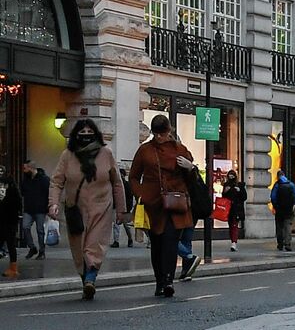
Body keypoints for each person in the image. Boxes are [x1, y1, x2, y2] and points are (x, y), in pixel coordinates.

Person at [50, 118, 126, 300]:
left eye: (88, 132)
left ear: (96, 134)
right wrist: (53, 203)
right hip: (76, 209)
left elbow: (117, 182)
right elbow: (57, 181)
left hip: (102, 208)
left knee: (94, 245)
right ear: (75, 135)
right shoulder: (67, 155)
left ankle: (91, 277)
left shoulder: (106, 153)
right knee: (78, 248)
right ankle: (86, 280)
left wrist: (121, 210)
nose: (85, 136)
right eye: (81, 133)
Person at [128, 115, 198, 297]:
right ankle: (159, 281)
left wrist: (190, 167)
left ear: (170, 131)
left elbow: (192, 181)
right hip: (153, 204)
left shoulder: (181, 150)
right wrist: (140, 195)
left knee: (170, 241)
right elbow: (134, 176)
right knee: (157, 244)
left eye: (163, 133)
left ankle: (168, 280)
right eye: (156, 133)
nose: (160, 137)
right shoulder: (145, 151)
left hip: (175, 203)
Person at [19, 161, 49, 259]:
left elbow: (48, 193)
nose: (24, 171)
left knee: (40, 230)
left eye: (25, 168)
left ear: (31, 168)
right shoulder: (26, 180)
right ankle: (32, 247)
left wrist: (49, 207)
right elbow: (23, 192)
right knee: (25, 227)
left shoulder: (44, 179)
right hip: (29, 209)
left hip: (40, 209)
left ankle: (42, 251)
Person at [269, 169, 295, 251]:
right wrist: (294, 203)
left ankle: (280, 243)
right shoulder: (291, 185)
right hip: (289, 209)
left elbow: (273, 197)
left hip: (279, 209)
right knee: (287, 226)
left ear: (278, 176)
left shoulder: (277, 185)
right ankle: (287, 243)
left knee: (279, 226)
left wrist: (275, 206)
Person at [221, 171, 247, 250]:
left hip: (236, 209)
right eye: (230, 175)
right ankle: (233, 241)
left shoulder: (240, 185)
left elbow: (244, 197)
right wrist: (225, 191)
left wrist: (239, 190)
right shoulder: (226, 185)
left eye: (232, 175)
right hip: (229, 208)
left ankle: (234, 242)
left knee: (234, 225)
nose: (231, 177)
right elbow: (224, 197)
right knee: (231, 225)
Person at [0, 165, 19, 278]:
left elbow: (15, 203)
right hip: (9, 220)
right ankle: (13, 268)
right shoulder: (12, 186)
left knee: (10, 244)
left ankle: (13, 268)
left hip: (7, 220)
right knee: (10, 244)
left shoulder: (10, 187)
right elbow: (18, 203)